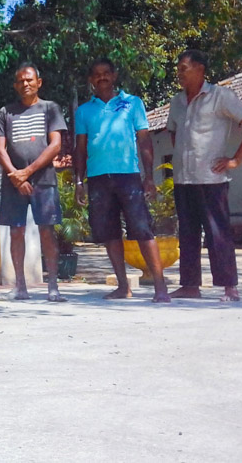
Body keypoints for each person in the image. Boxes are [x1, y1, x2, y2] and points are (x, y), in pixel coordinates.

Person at [74, 59, 170, 303]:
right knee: (110, 234)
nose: (102, 78)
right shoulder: (84, 111)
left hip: (128, 175)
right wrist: (78, 181)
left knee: (142, 229)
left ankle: (160, 287)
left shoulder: (133, 103)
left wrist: (149, 177)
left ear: (114, 76)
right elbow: (80, 149)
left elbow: (145, 141)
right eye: (97, 75)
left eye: (106, 73)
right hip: (97, 178)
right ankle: (123, 286)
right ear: (91, 80)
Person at [166, 49, 242, 302]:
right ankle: (190, 285)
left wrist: (236, 159)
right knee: (188, 233)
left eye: (184, 68)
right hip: (184, 178)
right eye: (178, 69)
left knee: (218, 233)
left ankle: (229, 287)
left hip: (212, 178)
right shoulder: (176, 102)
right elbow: (173, 132)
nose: (179, 73)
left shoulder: (220, 97)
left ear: (200, 69)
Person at [0, 63, 67, 301]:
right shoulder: (6, 112)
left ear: (39, 82)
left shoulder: (50, 108)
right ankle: (20, 287)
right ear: (15, 85)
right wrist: (16, 175)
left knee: (47, 230)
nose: (25, 84)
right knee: (16, 232)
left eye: (29, 80)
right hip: (13, 182)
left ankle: (53, 287)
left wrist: (28, 172)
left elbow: (55, 145)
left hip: (43, 180)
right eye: (20, 81)